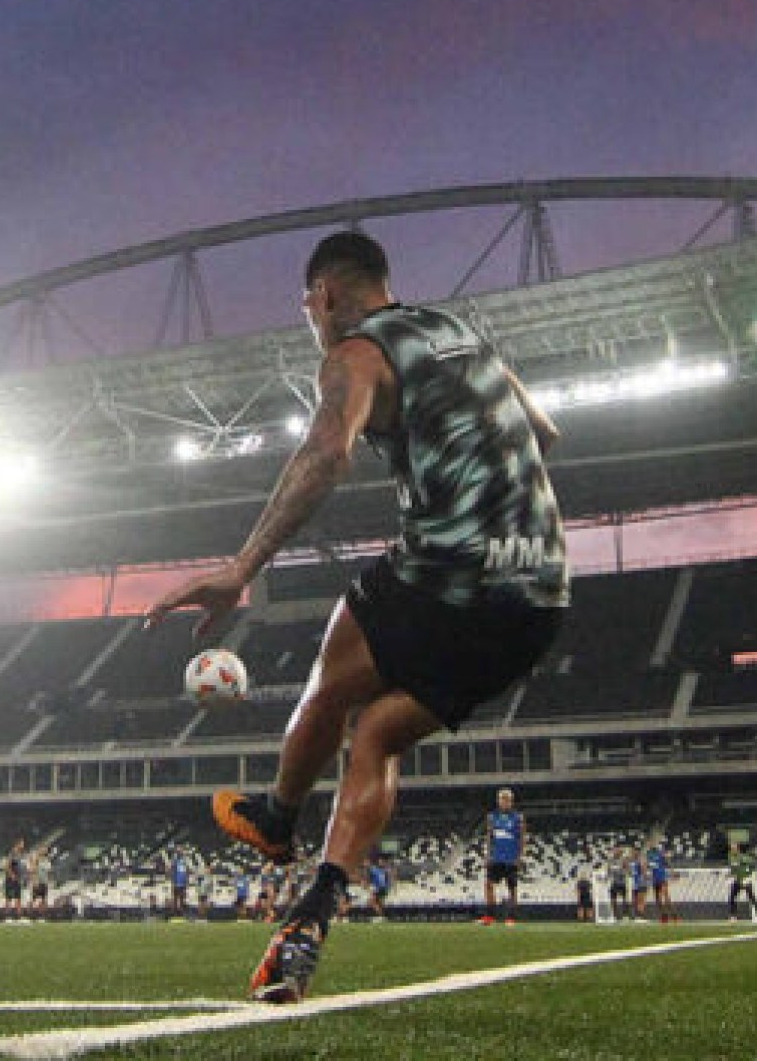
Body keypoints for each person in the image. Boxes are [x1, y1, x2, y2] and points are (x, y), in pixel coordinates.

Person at [147, 230, 568, 1003]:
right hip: (539, 595)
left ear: (324, 296)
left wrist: (241, 567)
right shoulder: (462, 333)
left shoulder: (354, 353)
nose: (311, 318)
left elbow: (326, 452)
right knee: (377, 734)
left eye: (308, 305)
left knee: (333, 671)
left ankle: (277, 816)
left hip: (454, 574)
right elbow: (543, 432)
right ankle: (314, 910)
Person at [480, 788, 525, 926]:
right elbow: (489, 837)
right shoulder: (492, 817)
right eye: (502, 799)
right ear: (498, 801)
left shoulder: (518, 818)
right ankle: (490, 915)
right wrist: (488, 855)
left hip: (511, 857)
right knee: (488, 884)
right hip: (496, 857)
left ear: (511, 801)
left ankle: (511, 917)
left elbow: (522, 837)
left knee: (512, 887)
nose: (504, 802)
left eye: (507, 799)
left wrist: (520, 856)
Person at [727, 839, 757, 922]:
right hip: (738, 880)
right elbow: (733, 869)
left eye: (734, 847)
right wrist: (730, 876)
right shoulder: (730, 858)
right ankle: (733, 916)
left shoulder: (743, 857)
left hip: (745, 880)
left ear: (737, 848)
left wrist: (748, 877)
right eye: (731, 848)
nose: (732, 849)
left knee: (751, 897)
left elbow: (751, 866)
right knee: (732, 897)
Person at [646, 840, 675, 925]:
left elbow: (668, 863)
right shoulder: (649, 854)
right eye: (650, 844)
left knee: (665, 897)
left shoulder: (660, 854)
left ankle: (673, 915)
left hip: (662, 878)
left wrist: (672, 871)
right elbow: (648, 866)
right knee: (658, 900)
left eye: (652, 844)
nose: (651, 845)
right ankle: (664, 915)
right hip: (655, 879)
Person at [2, 839, 26, 921]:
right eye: (22, 843)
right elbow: (6, 866)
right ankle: (7, 917)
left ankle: (19, 917)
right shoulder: (12, 854)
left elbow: (20, 867)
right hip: (10, 880)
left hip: (18, 880)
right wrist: (12, 875)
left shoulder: (20, 855)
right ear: (18, 844)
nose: (23, 845)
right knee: (9, 899)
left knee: (18, 898)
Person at [365, 855, 392, 921]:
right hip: (382, 889)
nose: (380, 862)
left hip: (380, 888)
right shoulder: (381, 870)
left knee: (371, 902)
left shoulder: (380, 870)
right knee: (378, 903)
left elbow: (387, 879)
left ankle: (381, 916)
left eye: (381, 861)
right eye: (379, 861)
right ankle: (382, 916)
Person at [607, 851, 631, 921]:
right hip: (614, 882)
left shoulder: (623, 860)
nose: (616, 853)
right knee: (613, 899)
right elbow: (609, 871)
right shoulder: (611, 861)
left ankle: (625, 915)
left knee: (624, 899)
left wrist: (623, 870)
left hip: (622, 882)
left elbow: (628, 870)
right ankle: (614, 915)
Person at [28, 847, 51, 919]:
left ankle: (42, 916)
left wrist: (48, 882)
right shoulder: (36, 860)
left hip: (44, 882)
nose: (43, 851)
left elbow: (48, 872)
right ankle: (30, 915)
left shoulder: (47, 861)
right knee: (33, 900)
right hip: (36, 882)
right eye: (42, 850)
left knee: (43, 901)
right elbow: (32, 871)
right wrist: (34, 881)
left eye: (45, 850)